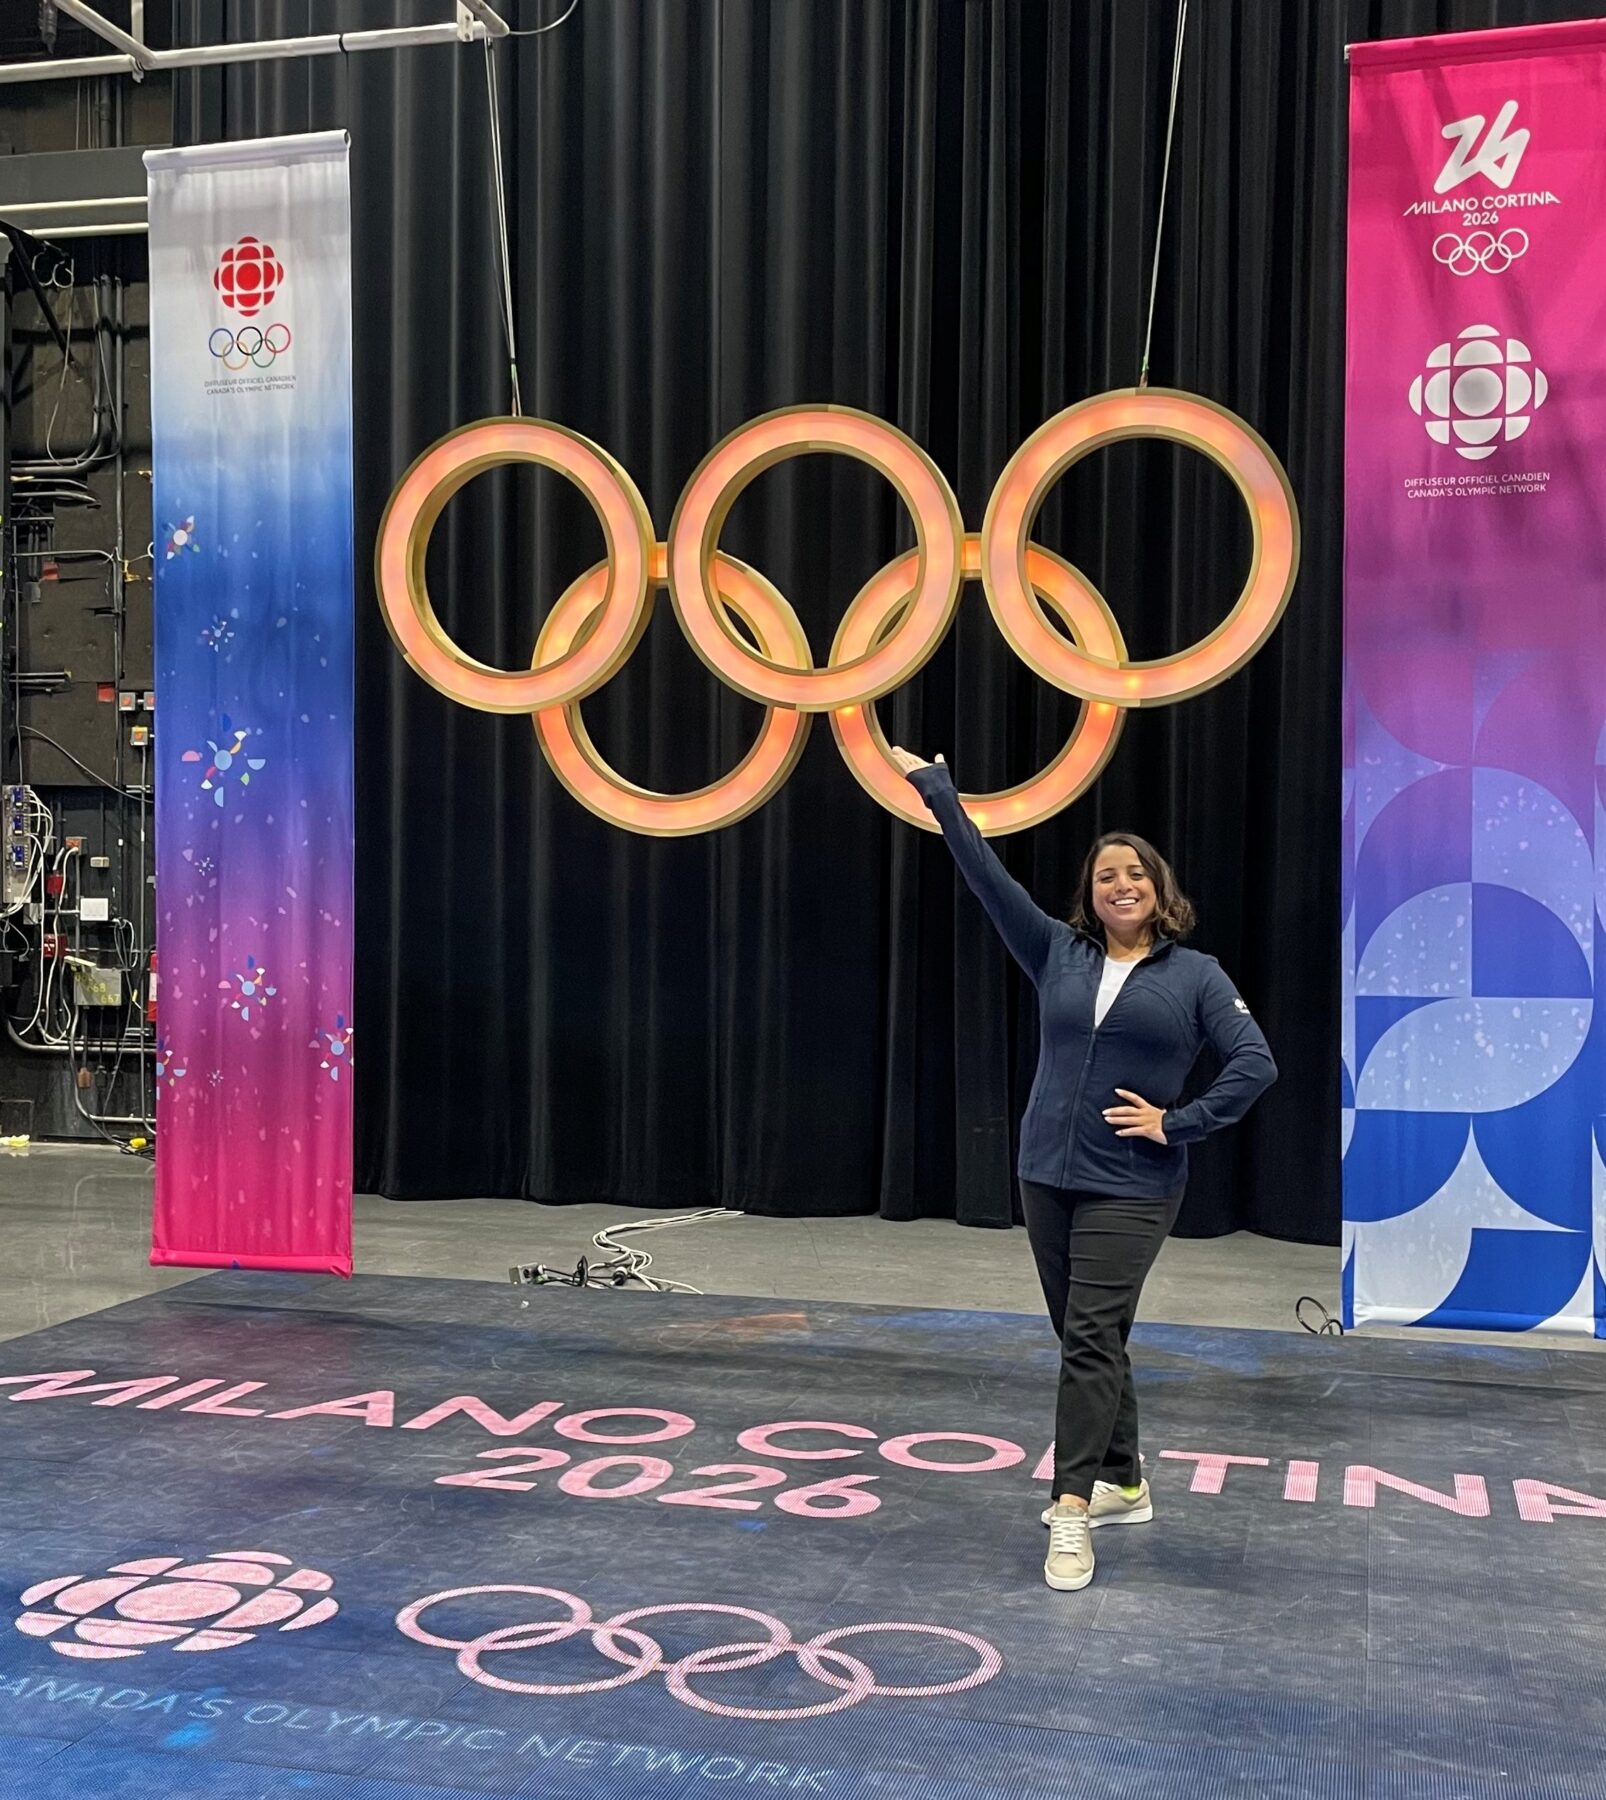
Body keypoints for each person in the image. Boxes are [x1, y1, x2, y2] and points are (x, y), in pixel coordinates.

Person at [891, 748, 1277, 1592]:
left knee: (1091, 1338)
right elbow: (986, 877)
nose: (1121, 884)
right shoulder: (1055, 953)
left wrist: (1179, 1122)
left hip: (1133, 1186)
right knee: (1086, 1336)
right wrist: (940, 794)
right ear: (1091, 892)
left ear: (1158, 887)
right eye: (1106, 875)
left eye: (1134, 873)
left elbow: (1255, 1063)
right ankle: (1125, 1482)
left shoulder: (1197, 976)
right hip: (1046, 1176)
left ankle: (1071, 1509)